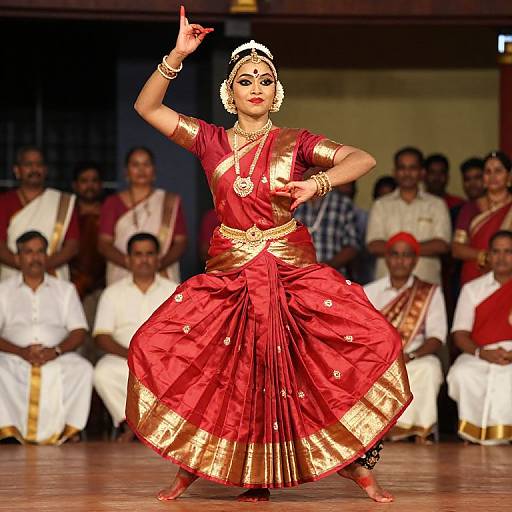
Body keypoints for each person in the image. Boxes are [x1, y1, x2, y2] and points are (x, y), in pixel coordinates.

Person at [126, 8, 411, 504]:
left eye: (264, 80)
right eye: (244, 80)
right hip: (231, 277)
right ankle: (192, 465)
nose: (255, 87)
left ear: (276, 91)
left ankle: (356, 467)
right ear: (229, 92)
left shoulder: (296, 143)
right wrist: (177, 56)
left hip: (291, 272)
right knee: (170, 352)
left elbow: (361, 159)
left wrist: (318, 182)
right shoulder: (210, 141)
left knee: (371, 339)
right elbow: (147, 107)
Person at [0, 231, 92, 444]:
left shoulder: (65, 289)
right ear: (18, 257)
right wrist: (20, 351)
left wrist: (56, 351)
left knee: (83, 369)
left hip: (57, 354)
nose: (35, 257)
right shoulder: (3, 290)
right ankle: (9, 431)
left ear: (47, 256)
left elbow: (79, 331)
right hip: (13, 356)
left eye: (40, 251)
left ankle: (66, 431)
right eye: (28, 252)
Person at [93, 233, 177, 441]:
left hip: (164, 359)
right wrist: (133, 355)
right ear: (128, 259)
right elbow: (101, 336)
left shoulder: (175, 290)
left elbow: (185, 334)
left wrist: (159, 356)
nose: (144, 259)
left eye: (149, 254)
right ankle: (132, 425)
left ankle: (155, 428)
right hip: (125, 357)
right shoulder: (112, 293)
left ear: (158, 258)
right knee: (103, 372)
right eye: (138, 254)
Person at [364, 232, 447, 443]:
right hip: (377, 357)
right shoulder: (368, 291)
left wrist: (411, 354)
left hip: (415, 354)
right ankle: (374, 431)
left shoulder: (429, 292)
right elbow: (360, 334)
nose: (400, 260)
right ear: (387, 258)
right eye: (395, 254)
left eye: (406, 255)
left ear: (415, 260)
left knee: (429, 368)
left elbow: (437, 336)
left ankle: (420, 430)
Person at [447, 230, 512, 445]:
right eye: (496, 252)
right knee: (462, 373)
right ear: (488, 255)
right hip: (480, 351)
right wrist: (482, 353)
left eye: (508, 252)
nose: (501, 257)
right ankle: (471, 433)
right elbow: (460, 333)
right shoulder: (472, 289)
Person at [98, 146, 187, 285]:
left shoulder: (169, 202)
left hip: (161, 275)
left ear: (154, 171)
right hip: (123, 275)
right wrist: (134, 265)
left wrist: (157, 264)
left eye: (146, 164)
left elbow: (180, 242)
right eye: (135, 165)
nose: (141, 170)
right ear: (126, 172)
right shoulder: (112, 203)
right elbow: (104, 243)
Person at [366, 146, 451, 284]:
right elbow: (374, 245)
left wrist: (396, 251)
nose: (407, 173)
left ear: (422, 172)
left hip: (426, 286)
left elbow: (442, 245)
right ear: (395, 172)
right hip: (386, 287)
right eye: (402, 168)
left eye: (412, 168)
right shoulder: (381, 205)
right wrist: (414, 250)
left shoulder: (436, 204)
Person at [0, 146, 80, 281]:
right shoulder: (4, 202)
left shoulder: (62, 203)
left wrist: (41, 265)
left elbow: (72, 246)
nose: (34, 169)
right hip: (13, 277)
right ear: (17, 171)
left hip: (52, 276)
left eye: (39, 164)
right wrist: (23, 264)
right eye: (28, 164)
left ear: (45, 170)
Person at [452, 151, 512, 286]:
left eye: (498, 171)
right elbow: (456, 249)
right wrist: (484, 256)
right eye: (487, 172)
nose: (493, 176)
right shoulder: (470, 208)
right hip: (475, 277)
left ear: (509, 177)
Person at [295, 174, 359, 275]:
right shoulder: (292, 202)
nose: (312, 171)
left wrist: (325, 268)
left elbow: (352, 246)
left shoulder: (342, 204)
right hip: (298, 279)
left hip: (333, 278)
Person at [70, 162, 106, 300]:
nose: (90, 186)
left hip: (103, 286)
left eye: (94, 181)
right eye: (84, 181)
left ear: (101, 184)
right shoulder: (67, 214)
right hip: (71, 284)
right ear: (75, 185)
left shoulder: (109, 213)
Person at [336, 180, 374, 284]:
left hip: (355, 272)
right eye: (341, 187)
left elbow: (354, 248)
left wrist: (327, 265)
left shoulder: (362, 215)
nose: (346, 190)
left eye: (349, 187)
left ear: (355, 190)